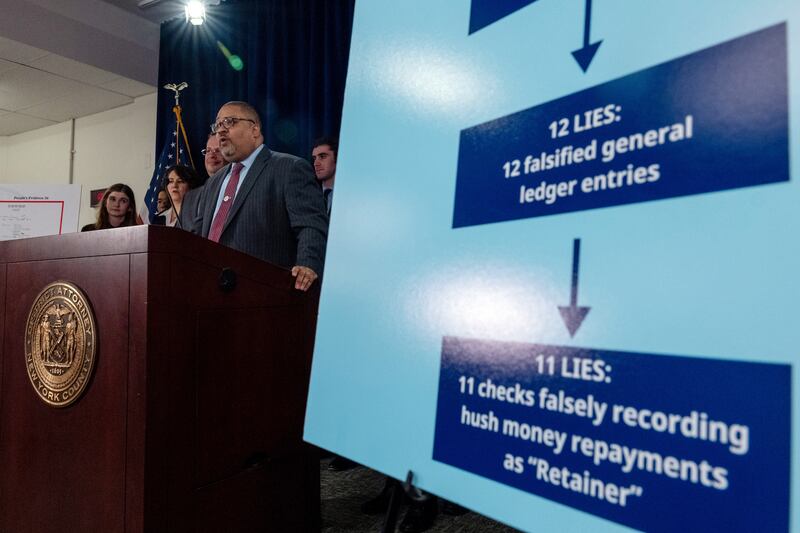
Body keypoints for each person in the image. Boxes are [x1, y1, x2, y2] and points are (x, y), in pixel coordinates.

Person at [194, 101, 328, 291]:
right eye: (218, 125)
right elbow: (197, 237)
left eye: (229, 122)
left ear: (254, 129)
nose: (221, 131)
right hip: (210, 292)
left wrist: (308, 265)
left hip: (266, 296)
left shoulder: (289, 168)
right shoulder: (213, 183)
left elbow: (311, 225)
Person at [311, 136, 337, 215]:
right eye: (314, 158)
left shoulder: (353, 194)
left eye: (322, 157)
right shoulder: (308, 192)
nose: (316, 164)